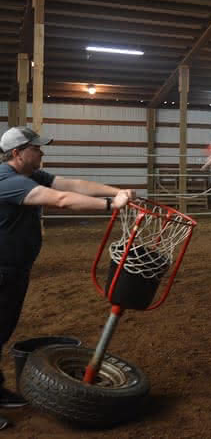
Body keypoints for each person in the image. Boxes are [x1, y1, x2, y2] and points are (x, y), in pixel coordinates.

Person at [0, 126, 133, 416]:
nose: (41, 151)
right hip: (2, 269)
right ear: (17, 153)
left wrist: (117, 191)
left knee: (3, 329)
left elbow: (73, 185)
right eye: (35, 148)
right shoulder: (6, 180)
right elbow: (61, 200)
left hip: (14, 269)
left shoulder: (30, 175)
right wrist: (110, 204)